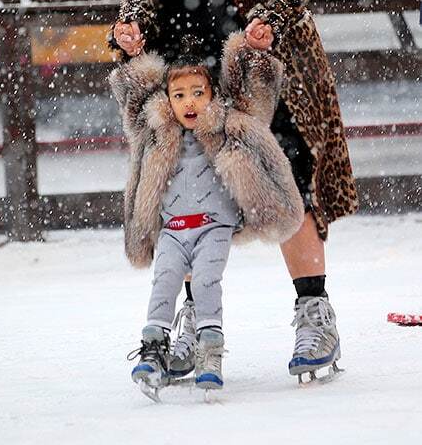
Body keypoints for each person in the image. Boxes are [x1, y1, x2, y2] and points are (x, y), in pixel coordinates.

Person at [108, 0, 358, 383]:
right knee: (184, 193)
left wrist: (267, 19)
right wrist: (130, 25)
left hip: (256, 70)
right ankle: (196, 325)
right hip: (182, 76)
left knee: (288, 178)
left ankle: (314, 312)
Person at [110, 32, 304, 396]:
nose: (189, 103)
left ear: (213, 95)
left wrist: (254, 51)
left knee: (205, 281)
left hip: (214, 227)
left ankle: (210, 349)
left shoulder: (228, 125)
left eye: (198, 93)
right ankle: (153, 349)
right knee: (164, 280)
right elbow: (134, 98)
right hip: (173, 229)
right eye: (179, 95)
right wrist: (133, 55)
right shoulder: (155, 130)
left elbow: (256, 105)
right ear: (167, 100)